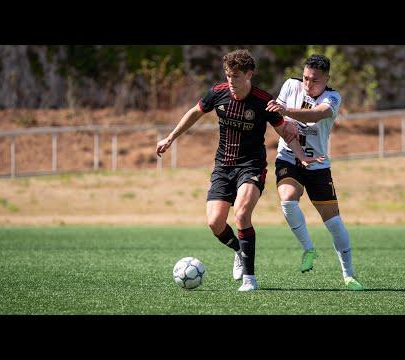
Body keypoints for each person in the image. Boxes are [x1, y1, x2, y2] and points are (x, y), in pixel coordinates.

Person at [156, 49, 315, 292]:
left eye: (236, 76)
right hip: (223, 166)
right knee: (215, 222)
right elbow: (194, 113)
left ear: (249, 74)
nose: (231, 81)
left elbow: (285, 132)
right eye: (228, 75)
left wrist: (301, 156)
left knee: (241, 215)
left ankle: (250, 279)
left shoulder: (263, 101)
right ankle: (239, 251)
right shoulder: (218, 93)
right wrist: (170, 138)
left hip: (251, 166)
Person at [266, 54, 364, 291]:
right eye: (306, 78)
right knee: (288, 199)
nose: (308, 84)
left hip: (318, 165)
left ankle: (349, 275)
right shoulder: (291, 85)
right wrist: (280, 116)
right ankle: (309, 249)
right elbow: (274, 115)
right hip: (289, 157)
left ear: (327, 79)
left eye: (315, 80)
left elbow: (317, 114)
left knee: (334, 223)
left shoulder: (333, 97)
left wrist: (286, 111)